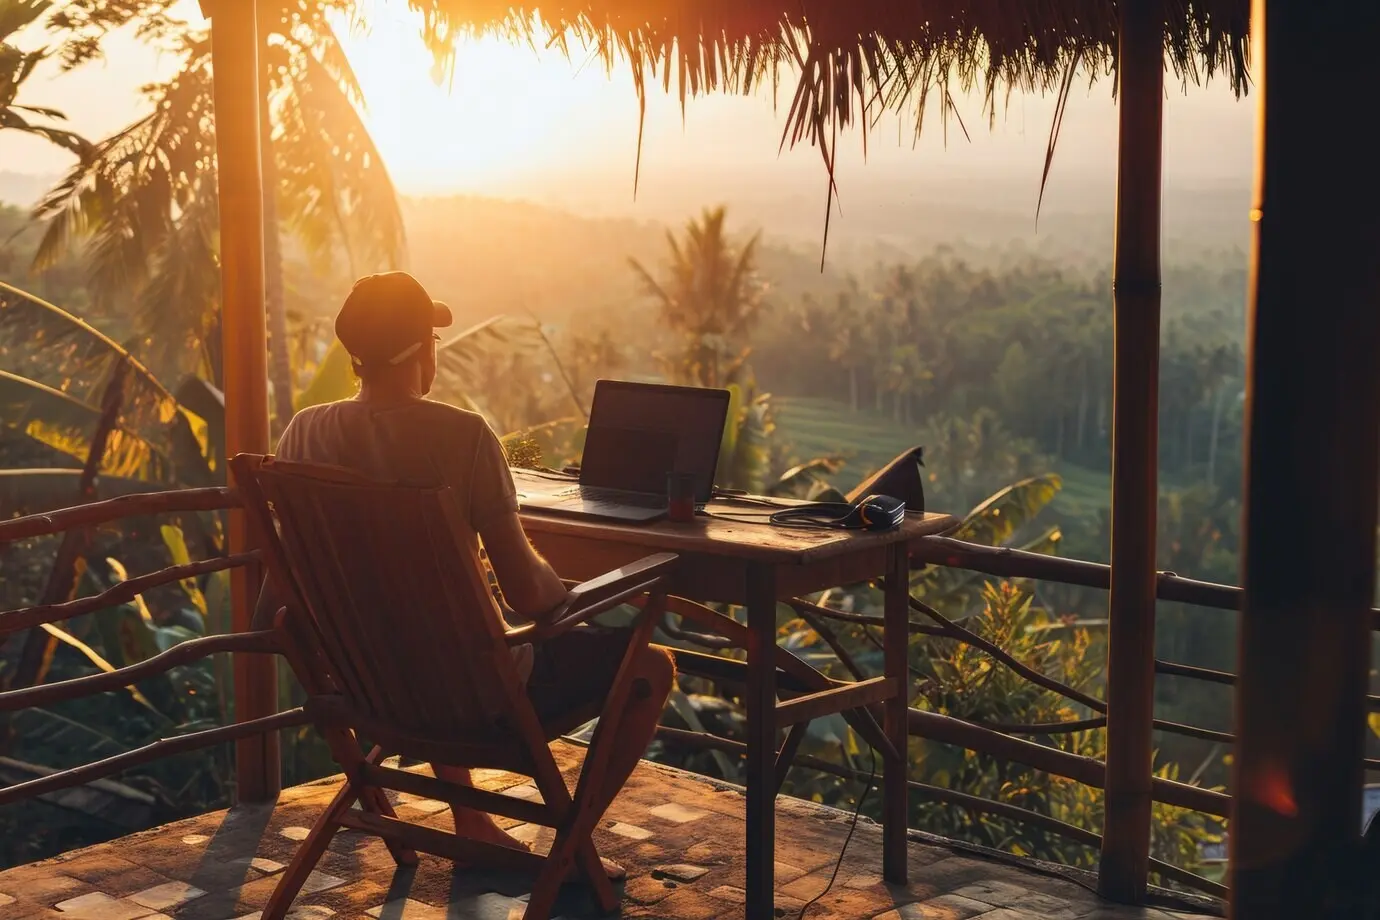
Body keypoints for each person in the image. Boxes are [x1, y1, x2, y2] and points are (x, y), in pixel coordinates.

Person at [256, 271, 674, 853]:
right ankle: (572, 847)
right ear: (422, 350)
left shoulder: (304, 433)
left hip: (373, 691)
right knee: (651, 667)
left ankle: (471, 820)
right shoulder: (464, 437)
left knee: (428, 632)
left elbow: (275, 601)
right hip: (475, 697)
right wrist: (576, 593)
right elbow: (530, 594)